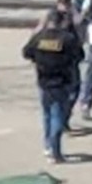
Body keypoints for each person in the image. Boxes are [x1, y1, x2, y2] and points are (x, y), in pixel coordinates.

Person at [23, 10, 85, 163]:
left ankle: (47, 146)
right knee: (57, 116)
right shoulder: (67, 38)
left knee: (47, 114)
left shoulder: (39, 37)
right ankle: (55, 152)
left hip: (44, 81)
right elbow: (80, 56)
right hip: (61, 82)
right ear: (61, 22)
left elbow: (26, 53)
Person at [36, 0, 82, 132]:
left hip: (51, 57)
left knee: (59, 93)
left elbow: (37, 31)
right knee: (74, 88)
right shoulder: (71, 14)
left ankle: (62, 118)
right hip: (69, 57)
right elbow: (80, 25)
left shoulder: (49, 13)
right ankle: (64, 117)